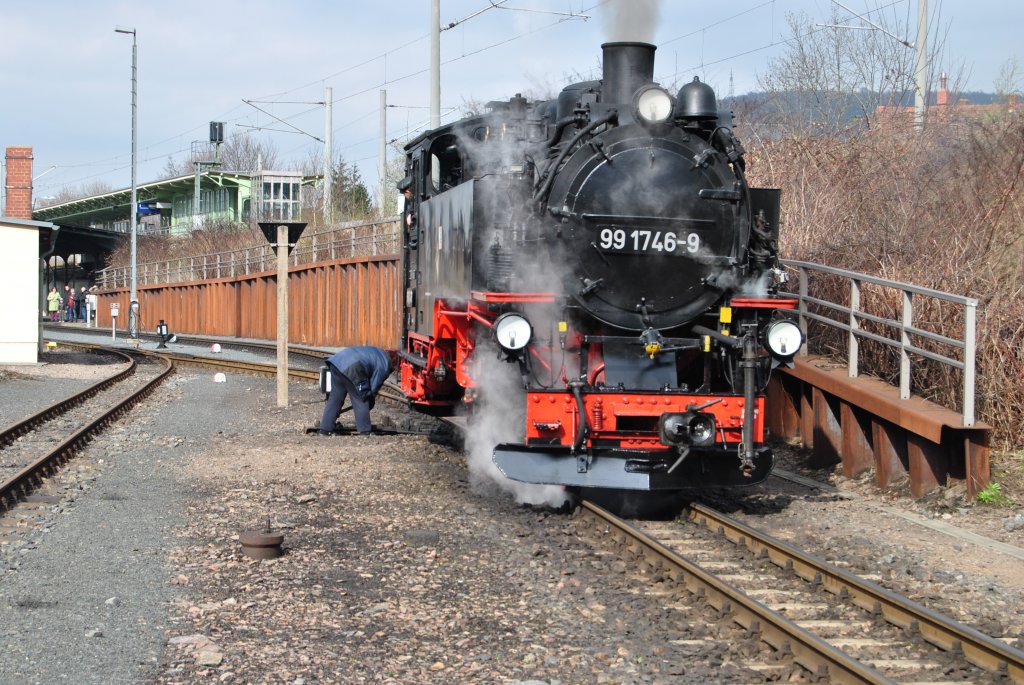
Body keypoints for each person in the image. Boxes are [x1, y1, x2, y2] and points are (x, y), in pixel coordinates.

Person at [318, 346, 395, 436]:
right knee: (361, 399)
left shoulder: (378, 352)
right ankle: (365, 431)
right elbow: (375, 383)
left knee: (335, 398)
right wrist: (370, 397)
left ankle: (325, 429)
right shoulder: (385, 363)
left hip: (336, 363)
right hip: (353, 367)